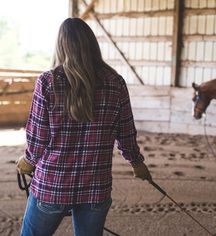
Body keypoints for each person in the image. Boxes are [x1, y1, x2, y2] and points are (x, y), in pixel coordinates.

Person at [16, 17, 152, 236]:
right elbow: (126, 132)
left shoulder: (48, 82)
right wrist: (136, 162)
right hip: (95, 188)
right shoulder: (115, 82)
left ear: (61, 45)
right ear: (92, 44)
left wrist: (29, 160)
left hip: (53, 185)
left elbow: (38, 135)